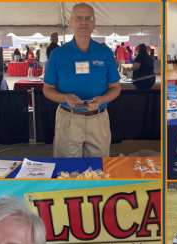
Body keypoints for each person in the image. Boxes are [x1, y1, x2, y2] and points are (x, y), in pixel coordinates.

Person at [42, 2, 121, 158]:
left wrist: (103, 99)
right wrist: (64, 97)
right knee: (67, 169)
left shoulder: (105, 53)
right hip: (68, 119)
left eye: (88, 18)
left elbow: (116, 87)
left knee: (98, 168)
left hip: (99, 119)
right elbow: (47, 89)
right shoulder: (58, 54)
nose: (84, 22)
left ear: (94, 23)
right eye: (79, 18)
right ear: (70, 22)